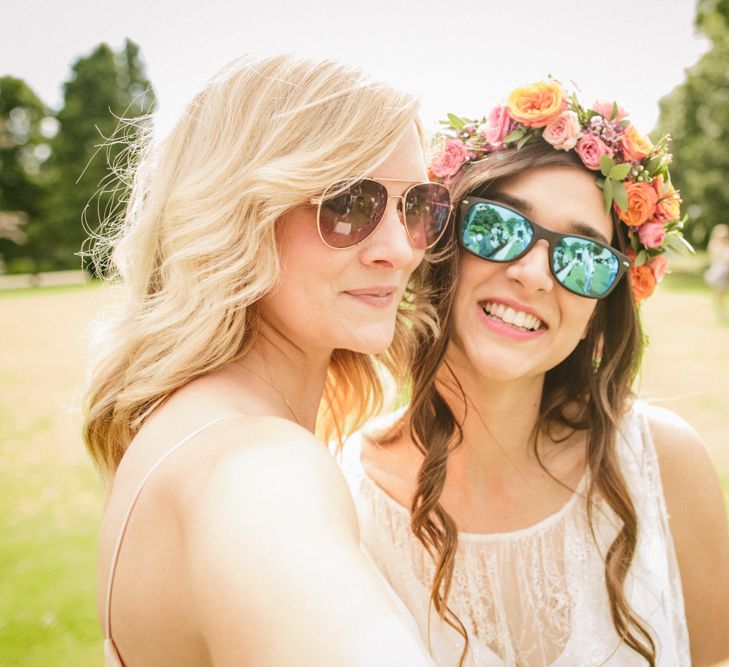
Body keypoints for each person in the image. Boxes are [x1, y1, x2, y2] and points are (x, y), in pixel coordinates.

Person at [341, 80, 729, 666]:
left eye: (582, 257)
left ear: (601, 308)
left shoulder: (663, 464)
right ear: (443, 240)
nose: (534, 275)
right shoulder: (342, 501)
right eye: (499, 228)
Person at [83, 53, 453, 666]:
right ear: (240, 215)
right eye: (349, 203)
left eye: (417, 206)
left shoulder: (191, 431)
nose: (399, 249)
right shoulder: (263, 470)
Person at [704, 223, 729, 321]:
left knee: (721, 293)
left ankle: (721, 311)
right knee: (719, 292)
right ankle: (720, 311)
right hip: (719, 272)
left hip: (725, 271)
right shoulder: (715, 244)